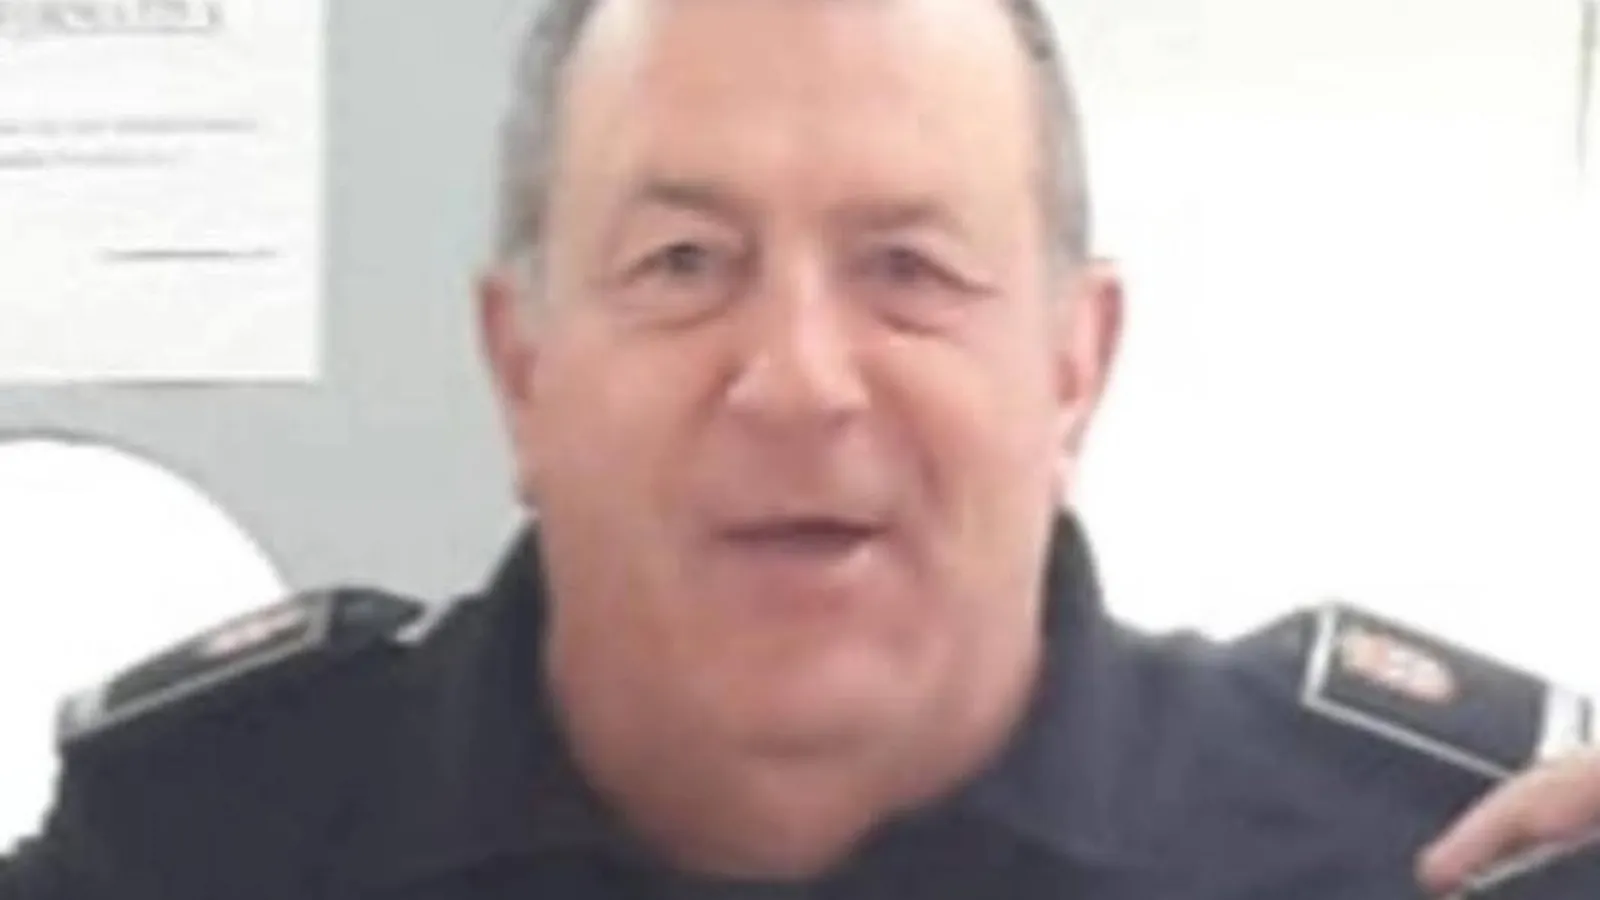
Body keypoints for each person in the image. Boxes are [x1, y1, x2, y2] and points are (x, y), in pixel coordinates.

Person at [2, 0, 1596, 896]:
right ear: (522, 368)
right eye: (684, 263)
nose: (796, 381)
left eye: (908, 266)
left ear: (1073, 366)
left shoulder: (1426, 857)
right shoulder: (192, 845)